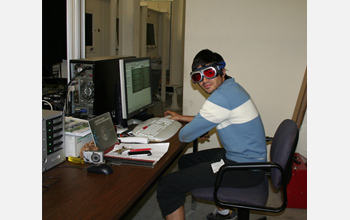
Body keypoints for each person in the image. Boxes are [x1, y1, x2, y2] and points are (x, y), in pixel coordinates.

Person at [156, 49, 267, 220]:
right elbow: (212, 117)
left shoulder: (220, 99)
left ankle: (223, 210)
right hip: (247, 160)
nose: (204, 80)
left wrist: (195, 129)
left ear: (222, 71)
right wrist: (182, 118)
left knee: (167, 185)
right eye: (197, 77)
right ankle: (224, 214)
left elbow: (184, 136)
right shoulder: (232, 88)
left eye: (209, 72)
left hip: (243, 170)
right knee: (186, 161)